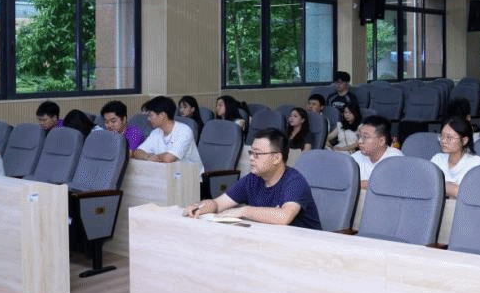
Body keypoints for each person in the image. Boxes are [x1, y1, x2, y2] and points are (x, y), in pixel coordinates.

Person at [184, 128, 321, 229]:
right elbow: (218, 204)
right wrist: (200, 207)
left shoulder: (295, 181)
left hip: (306, 246)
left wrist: (244, 211)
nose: (251, 158)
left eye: (257, 154)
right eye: (251, 152)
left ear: (276, 158)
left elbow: (284, 216)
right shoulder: (252, 179)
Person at [134, 96, 203, 168]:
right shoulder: (155, 132)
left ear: (162, 115)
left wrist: (152, 156)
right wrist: (148, 157)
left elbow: (169, 158)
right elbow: (137, 152)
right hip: (166, 171)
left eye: (151, 115)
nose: (149, 119)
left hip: (189, 173)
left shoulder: (184, 131)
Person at [431, 116, 480, 198]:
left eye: (449, 138)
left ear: (464, 140)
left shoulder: (475, 162)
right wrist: (451, 188)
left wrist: (439, 185)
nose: (443, 141)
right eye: (442, 136)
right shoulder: (437, 159)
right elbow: (426, 185)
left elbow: (469, 194)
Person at [351, 114, 402, 187]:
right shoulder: (355, 157)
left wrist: (361, 184)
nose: (360, 141)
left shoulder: (396, 158)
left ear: (381, 141)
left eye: (365, 137)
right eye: (359, 136)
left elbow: (392, 186)